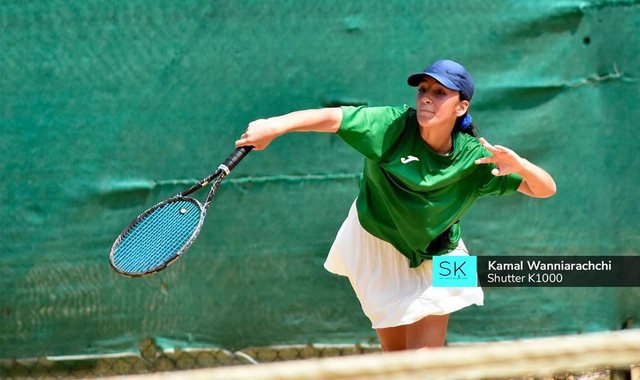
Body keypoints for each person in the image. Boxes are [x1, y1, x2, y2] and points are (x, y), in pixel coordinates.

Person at [235, 59, 556, 352]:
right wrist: (274, 126)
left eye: (440, 92)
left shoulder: (475, 157)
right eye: (423, 90)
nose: (427, 97)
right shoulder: (392, 125)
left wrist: (522, 164)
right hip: (376, 245)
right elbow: (334, 118)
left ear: (461, 107)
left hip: (439, 256)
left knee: (425, 365)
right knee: (398, 363)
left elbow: (544, 189)